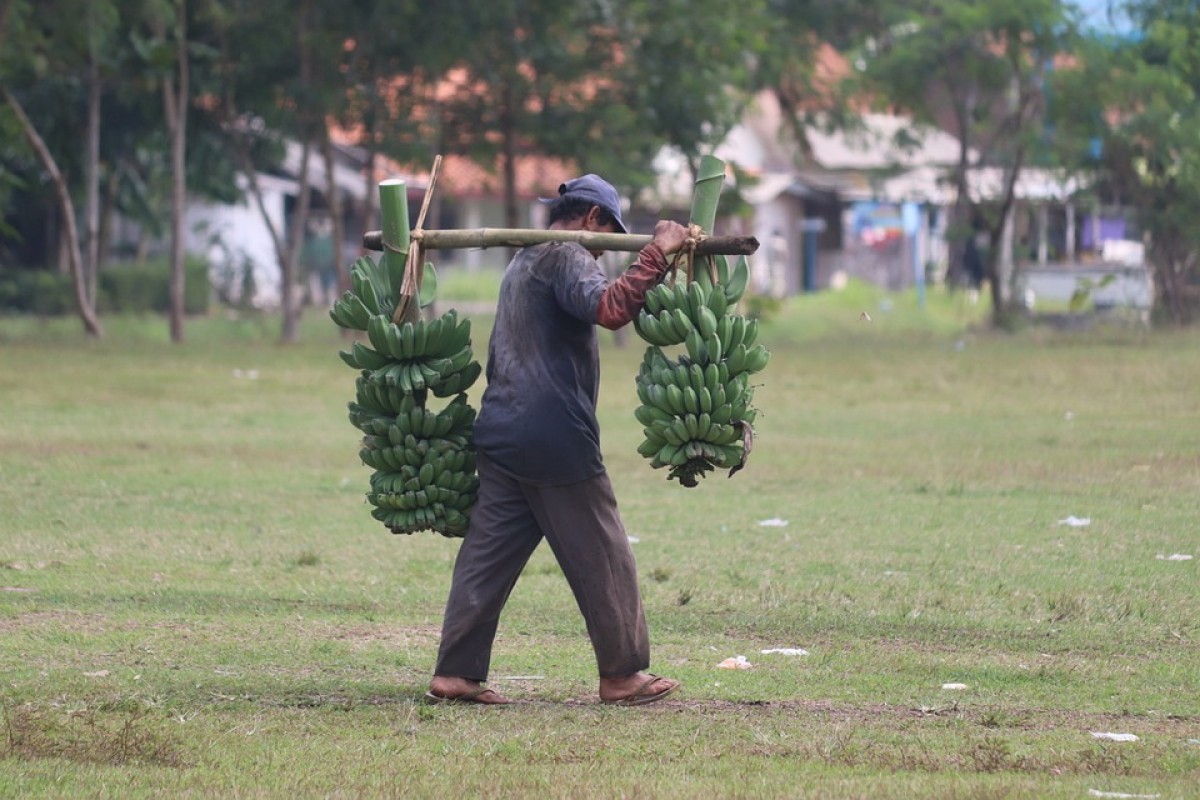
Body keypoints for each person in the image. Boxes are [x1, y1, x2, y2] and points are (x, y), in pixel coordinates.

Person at [426, 174, 687, 706]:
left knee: (487, 556)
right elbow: (612, 310)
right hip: (553, 431)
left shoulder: (522, 261)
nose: (607, 243)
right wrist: (657, 255)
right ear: (593, 220)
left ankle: (455, 672)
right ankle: (621, 675)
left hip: (500, 427)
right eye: (609, 230)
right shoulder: (567, 256)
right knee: (605, 552)